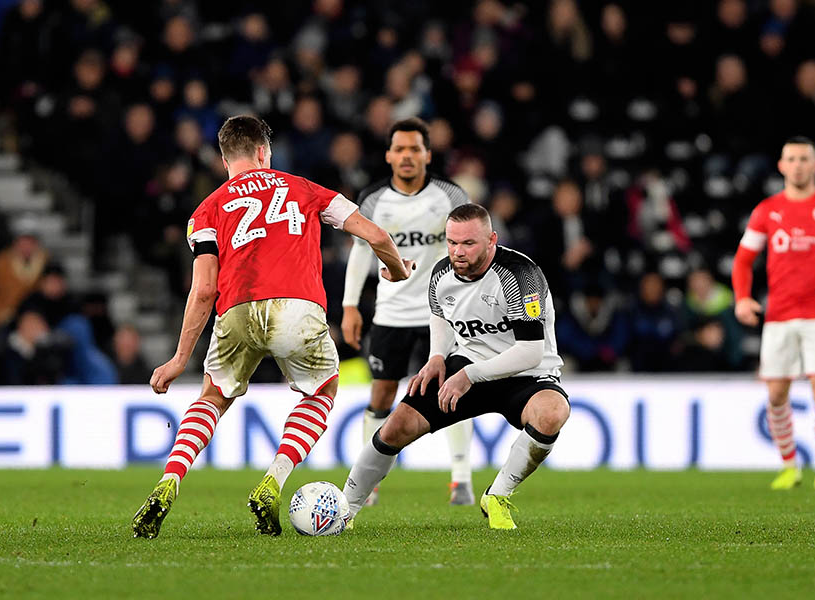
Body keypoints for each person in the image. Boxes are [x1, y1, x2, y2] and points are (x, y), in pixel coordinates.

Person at [131, 115, 412, 538]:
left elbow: (204, 289)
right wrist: (396, 270)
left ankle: (169, 480)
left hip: (237, 310)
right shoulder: (304, 189)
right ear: (264, 152)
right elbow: (374, 235)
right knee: (321, 391)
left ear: (224, 159)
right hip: (298, 309)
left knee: (213, 396)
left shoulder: (206, 210)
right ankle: (274, 479)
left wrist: (178, 359)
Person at [342, 204, 570, 530]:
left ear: (492, 240)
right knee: (396, 427)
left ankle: (497, 495)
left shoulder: (521, 276)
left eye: (468, 243)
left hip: (526, 374)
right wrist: (437, 355)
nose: (457, 252)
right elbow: (440, 313)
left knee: (552, 413)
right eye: (451, 242)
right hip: (468, 364)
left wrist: (467, 375)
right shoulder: (441, 273)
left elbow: (531, 352)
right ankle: (345, 508)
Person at [341, 117, 476, 506]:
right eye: (399, 149)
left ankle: (461, 480)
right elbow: (360, 252)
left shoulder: (450, 195)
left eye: (414, 149)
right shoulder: (373, 199)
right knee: (381, 393)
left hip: (444, 311)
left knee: (453, 392)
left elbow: (468, 244)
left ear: (427, 155)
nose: (406, 156)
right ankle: (370, 482)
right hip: (392, 312)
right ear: (388, 155)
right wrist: (350, 306)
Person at [732, 136, 815, 491]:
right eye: (792, 159)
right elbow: (743, 261)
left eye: (805, 158)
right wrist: (742, 298)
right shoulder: (767, 211)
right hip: (780, 315)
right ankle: (789, 466)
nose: (798, 165)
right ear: (782, 166)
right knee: (776, 394)